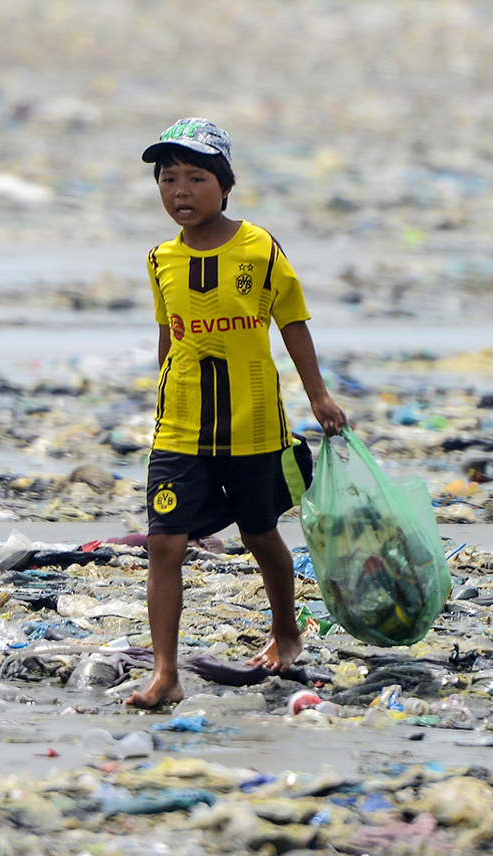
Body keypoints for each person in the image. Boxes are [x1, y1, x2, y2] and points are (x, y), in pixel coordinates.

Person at [126, 117, 347, 710]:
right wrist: (159, 396)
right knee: (165, 543)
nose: (180, 191)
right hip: (179, 428)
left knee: (259, 533)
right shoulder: (159, 261)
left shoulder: (259, 247)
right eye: (168, 179)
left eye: (195, 177)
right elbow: (168, 337)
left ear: (224, 184)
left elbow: (292, 322)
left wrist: (318, 397)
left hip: (252, 425)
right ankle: (165, 673)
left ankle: (286, 631)